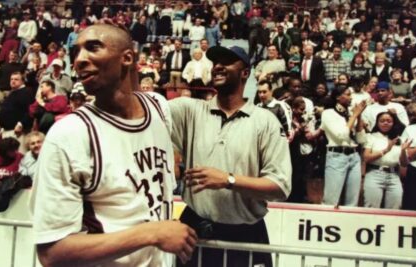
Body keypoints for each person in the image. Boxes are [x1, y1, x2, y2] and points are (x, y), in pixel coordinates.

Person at [30, 24, 196, 267]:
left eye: (93, 48)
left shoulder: (158, 106)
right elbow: (52, 253)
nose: (79, 60)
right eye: (76, 52)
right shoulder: (69, 135)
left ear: (128, 58)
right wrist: (152, 233)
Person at [170, 45, 292, 267]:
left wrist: (228, 180)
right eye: (215, 61)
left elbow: (280, 187)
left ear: (245, 72)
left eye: (226, 61)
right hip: (195, 229)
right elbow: (144, 109)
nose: (217, 66)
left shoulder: (265, 122)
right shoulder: (190, 111)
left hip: (245, 236)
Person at [321, 86, 367, 206]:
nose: (350, 97)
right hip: (337, 155)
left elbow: (361, 139)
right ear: (337, 97)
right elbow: (341, 135)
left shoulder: (351, 114)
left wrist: (359, 115)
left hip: (354, 156)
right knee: (331, 200)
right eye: (347, 94)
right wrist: (355, 115)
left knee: (352, 201)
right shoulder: (328, 113)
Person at [363, 111, 405, 209]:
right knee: (371, 207)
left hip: (394, 175)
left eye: (389, 121)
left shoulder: (399, 139)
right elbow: (366, 157)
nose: (385, 123)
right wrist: (386, 150)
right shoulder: (371, 137)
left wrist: (404, 151)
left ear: (393, 123)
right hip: (375, 173)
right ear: (377, 123)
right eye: (382, 121)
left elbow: (403, 163)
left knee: (395, 208)